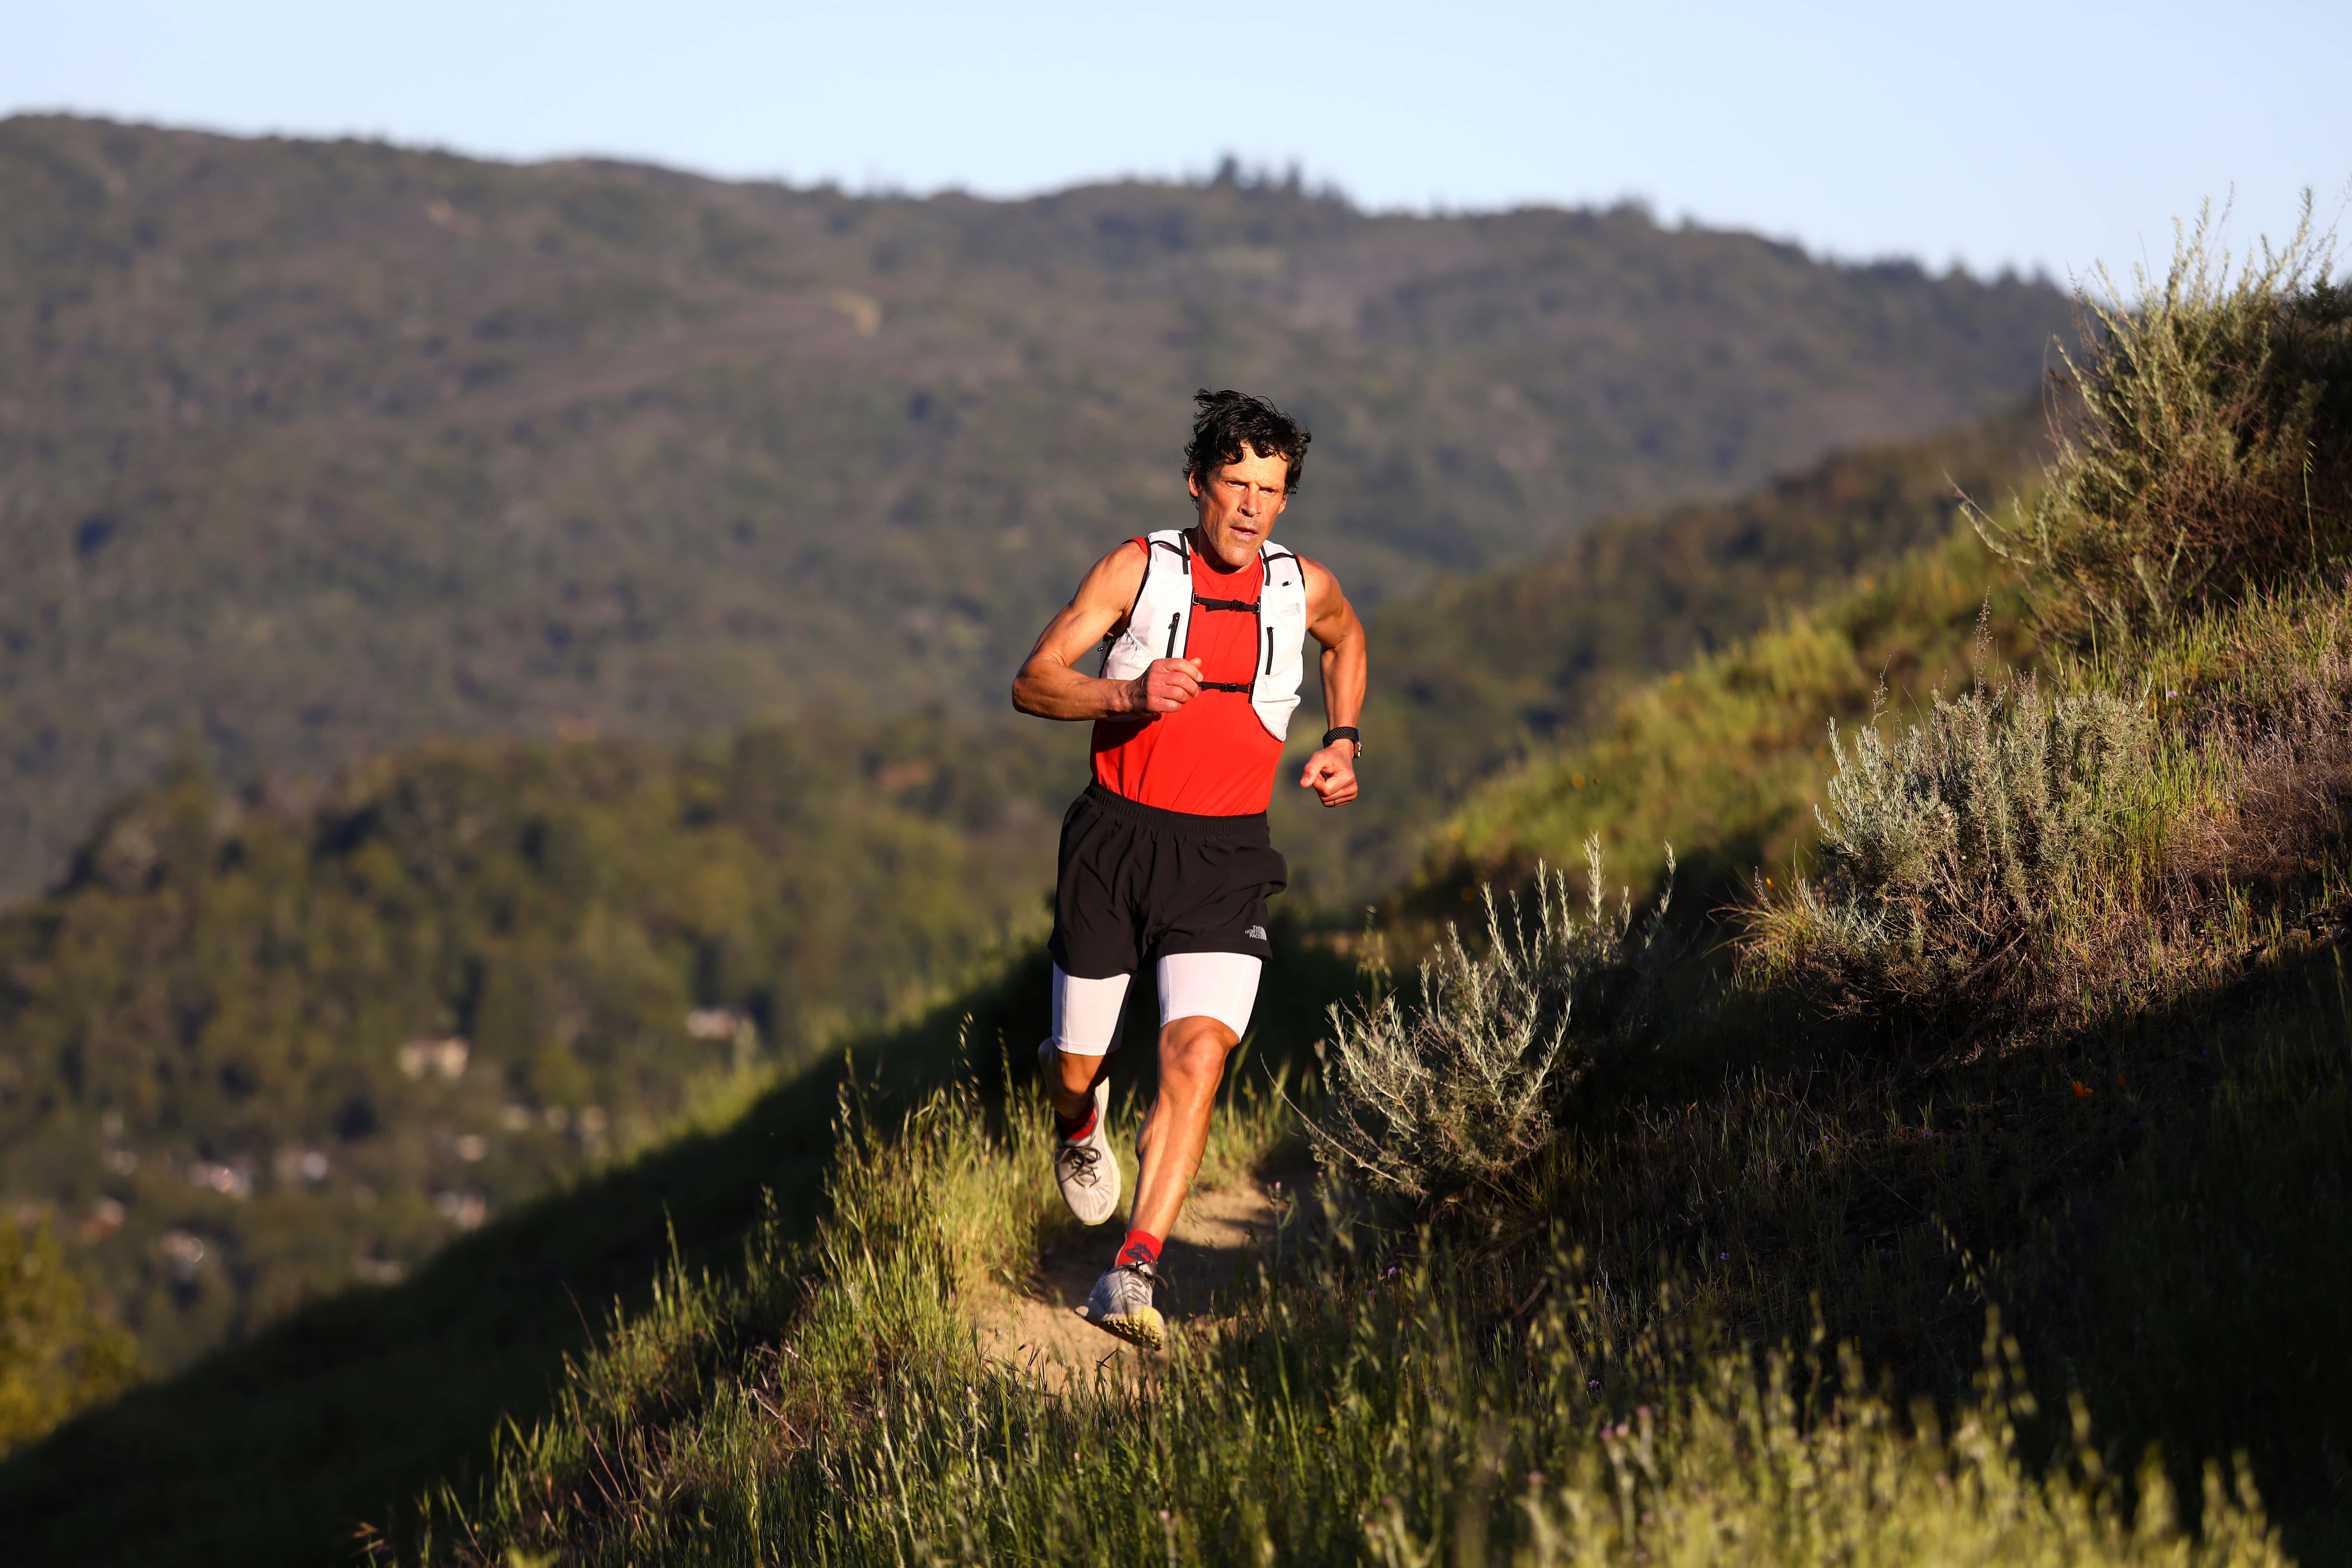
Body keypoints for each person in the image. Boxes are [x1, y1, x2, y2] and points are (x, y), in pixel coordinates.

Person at [1010, 388, 1366, 1349]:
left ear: (1286, 499)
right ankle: (1078, 1118)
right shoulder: (1139, 569)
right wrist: (1128, 690)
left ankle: (1133, 1271)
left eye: (1272, 489)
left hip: (1227, 854)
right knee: (1079, 1067)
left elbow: (1348, 638)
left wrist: (1345, 741)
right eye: (1235, 484)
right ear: (1198, 485)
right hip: (1116, 840)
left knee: (1199, 1055)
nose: (1251, 506)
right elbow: (1034, 680)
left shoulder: (1304, 586)